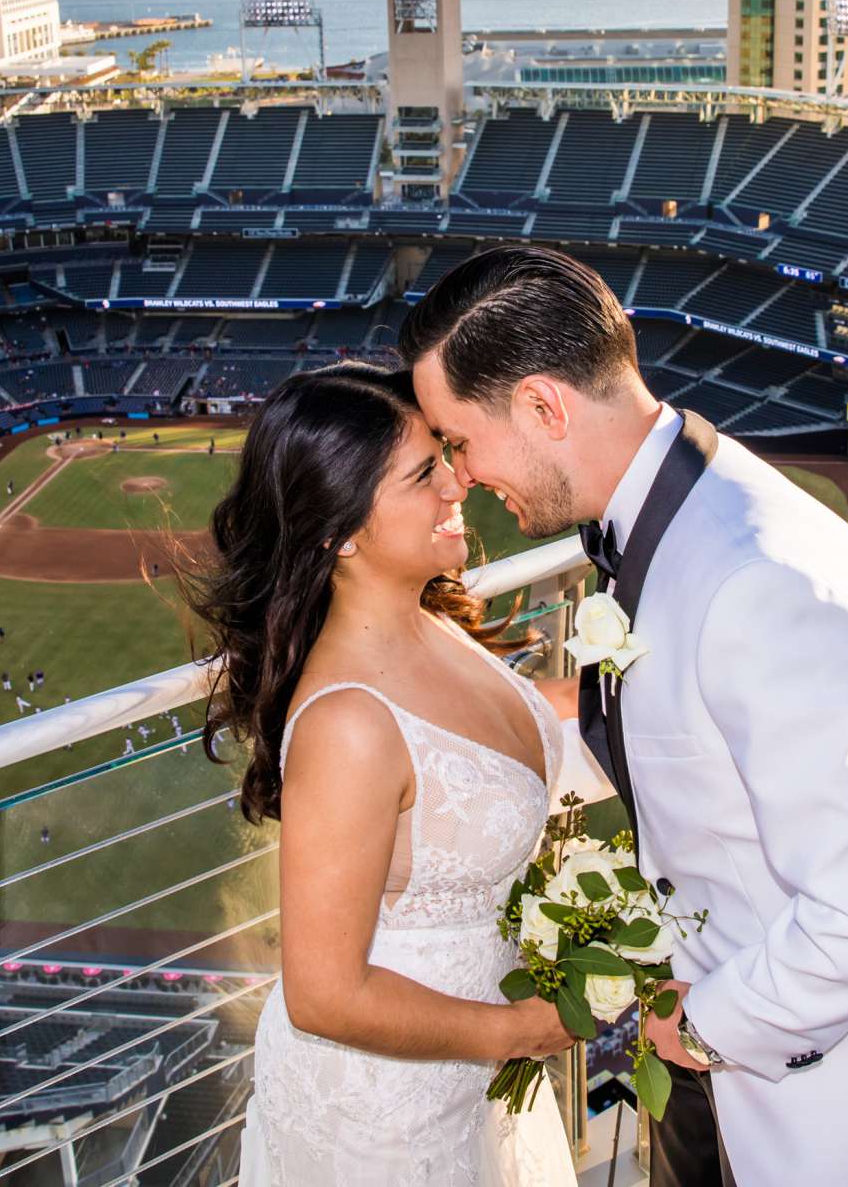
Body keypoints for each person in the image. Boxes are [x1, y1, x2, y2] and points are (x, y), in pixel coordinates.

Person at [403, 246, 848, 1187]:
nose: (459, 473)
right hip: (731, 1062)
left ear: (544, 406)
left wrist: (692, 1022)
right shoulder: (676, 513)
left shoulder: (756, 577)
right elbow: (662, 733)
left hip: (842, 1120)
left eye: (459, 438)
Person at [187, 362, 577, 1185]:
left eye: (446, 454)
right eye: (425, 471)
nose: (457, 481)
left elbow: (496, 752)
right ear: (341, 530)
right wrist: (515, 1031)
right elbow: (324, 993)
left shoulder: (431, 622)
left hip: (473, 1081)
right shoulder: (347, 726)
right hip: (387, 1128)